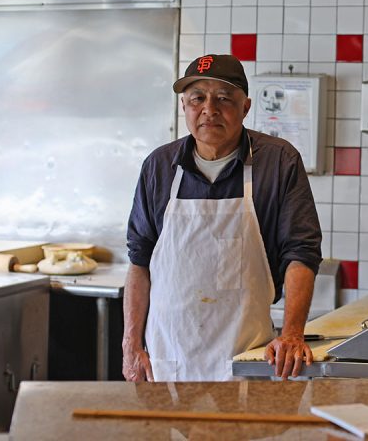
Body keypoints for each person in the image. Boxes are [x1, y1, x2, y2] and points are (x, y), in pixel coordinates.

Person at [122, 54, 322, 381]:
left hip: (247, 356)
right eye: (197, 98)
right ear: (184, 107)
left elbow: (302, 252)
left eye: (224, 98)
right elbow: (139, 261)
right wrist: (131, 345)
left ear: (245, 107)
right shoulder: (159, 166)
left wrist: (292, 333)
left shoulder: (278, 162)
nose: (209, 109)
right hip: (169, 357)